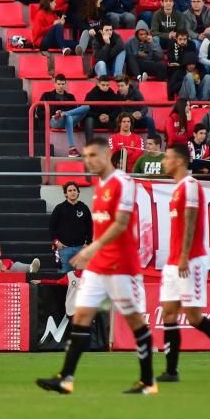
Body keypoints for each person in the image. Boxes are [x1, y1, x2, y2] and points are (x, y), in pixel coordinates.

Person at [36, 138, 156, 395]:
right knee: (81, 315)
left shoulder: (122, 182)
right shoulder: (100, 185)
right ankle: (66, 378)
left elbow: (121, 223)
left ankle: (148, 381)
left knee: (135, 321)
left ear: (107, 154)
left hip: (122, 265)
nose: (88, 160)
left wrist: (89, 249)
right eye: (85, 156)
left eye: (93, 155)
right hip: (99, 265)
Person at [157, 144, 210, 383]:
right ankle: (171, 371)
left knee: (194, 317)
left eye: (167, 158)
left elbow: (192, 220)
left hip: (190, 259)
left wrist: (185, 255)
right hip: (173, 261)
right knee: (168, 313)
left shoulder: (191, 186)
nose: (164, 161)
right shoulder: (177, 189)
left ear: (179, 161)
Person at [48, 182, 92, 274]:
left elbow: (89, 227)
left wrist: (88, 243)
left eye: (74, 190)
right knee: (63, 276)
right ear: (65, 193)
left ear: (78, 192)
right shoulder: (59, 208)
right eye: (70, 190)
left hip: (80, 248)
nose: (72, 192)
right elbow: (51, 227)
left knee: (83, 277)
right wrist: (56, 242)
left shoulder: (84, 208)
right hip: (64, 249)